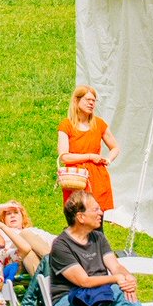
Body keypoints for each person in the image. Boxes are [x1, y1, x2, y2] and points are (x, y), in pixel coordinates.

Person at [58, 86, 119, 214]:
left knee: (97, 221)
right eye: (87, 99)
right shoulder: (66, 125)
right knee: (77, 220)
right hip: (76, 179)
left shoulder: (99, 124)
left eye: (94, 100)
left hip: (97, 178)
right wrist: (90, 156)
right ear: (76, 101)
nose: (91, 103)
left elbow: (115, 147)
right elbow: (64, 156)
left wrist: (108, 159)